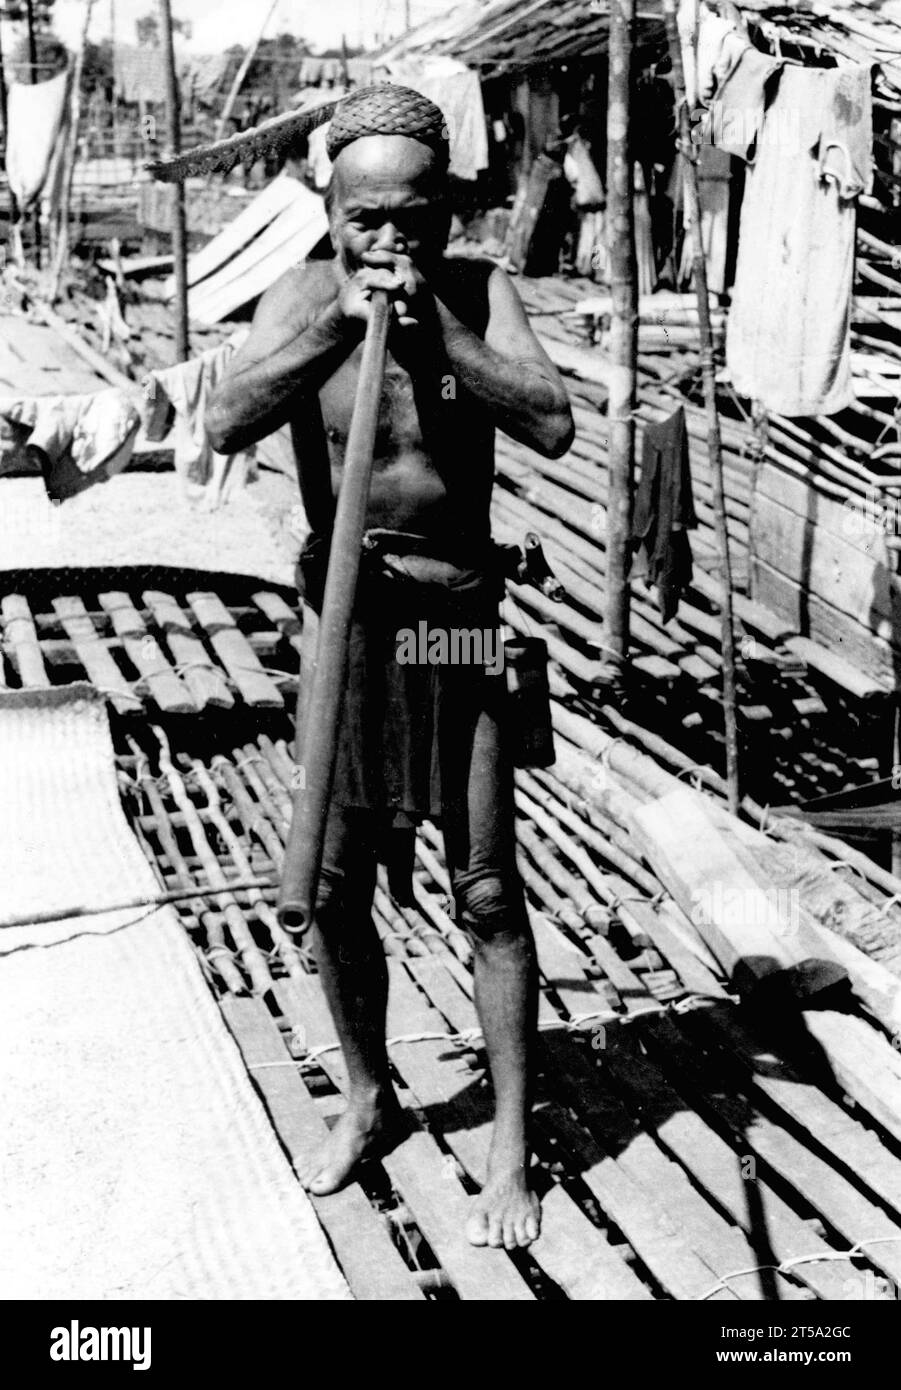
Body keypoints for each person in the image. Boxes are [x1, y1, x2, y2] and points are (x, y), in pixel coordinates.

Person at [207, 84, 574, 1251]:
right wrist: (338, 326)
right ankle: (369, 1094)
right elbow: (222, 422)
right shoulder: (301, 294)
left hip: (452, 618)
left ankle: (510, 1147)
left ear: (444, 211)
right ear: (331, 205)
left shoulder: (477, 292)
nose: (390, 240)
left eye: (413, 218)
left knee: (484, 889)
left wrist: (437, 340)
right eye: (367, 217)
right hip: (348, 621)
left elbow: (554, 421)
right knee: (328, 884)